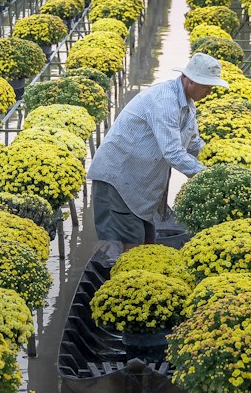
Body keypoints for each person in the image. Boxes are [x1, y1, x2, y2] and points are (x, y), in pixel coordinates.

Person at [86, 53, 224, 261]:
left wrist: (220, 166)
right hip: (118, 180)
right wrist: (209, 177)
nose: (210, 91)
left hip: (139, 183)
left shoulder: (188, 105)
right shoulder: (165, 101)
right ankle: (128, 287)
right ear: (191, 81)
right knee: (132, 245)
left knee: (148, 244)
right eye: (207, 85)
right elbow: (173, 152)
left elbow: (194, 144)